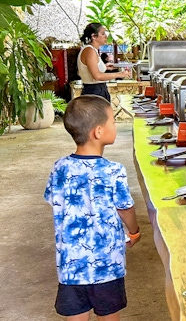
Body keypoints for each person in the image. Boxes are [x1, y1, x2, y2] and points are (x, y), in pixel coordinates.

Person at [44, 95, 141, 320]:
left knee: (76, 314)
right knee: (109, 315)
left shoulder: (59, 168)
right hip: (107, 266)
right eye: (113, 122)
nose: (115, 126)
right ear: (98, 132)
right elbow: (125, 208)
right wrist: (134, 231)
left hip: (71, 266)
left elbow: (54, 200)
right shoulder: (113, 171)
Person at [78, 23, 130, 102]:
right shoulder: (89, 51)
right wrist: (119, 74)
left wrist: (105, 67)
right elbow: (97, 76)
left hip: (97, 90)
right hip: (94, 92)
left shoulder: (93, 50)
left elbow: (92, 69)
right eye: (103, 34)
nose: (106, 36)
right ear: (94, 36)